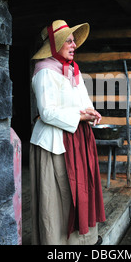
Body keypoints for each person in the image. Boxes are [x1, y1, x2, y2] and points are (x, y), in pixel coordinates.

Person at [29, 20, 106, 245]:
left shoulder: (73, 70)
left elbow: (83, 102)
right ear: (56, 44)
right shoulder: (44, 71)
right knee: (59, 198)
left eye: (74, 41)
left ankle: (83, 242)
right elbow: (46, 112)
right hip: (55, 144)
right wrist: (79, 116)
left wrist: (90, 112)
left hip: (78, 140)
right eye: (69, 41)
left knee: (82, 191)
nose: (74, 45)